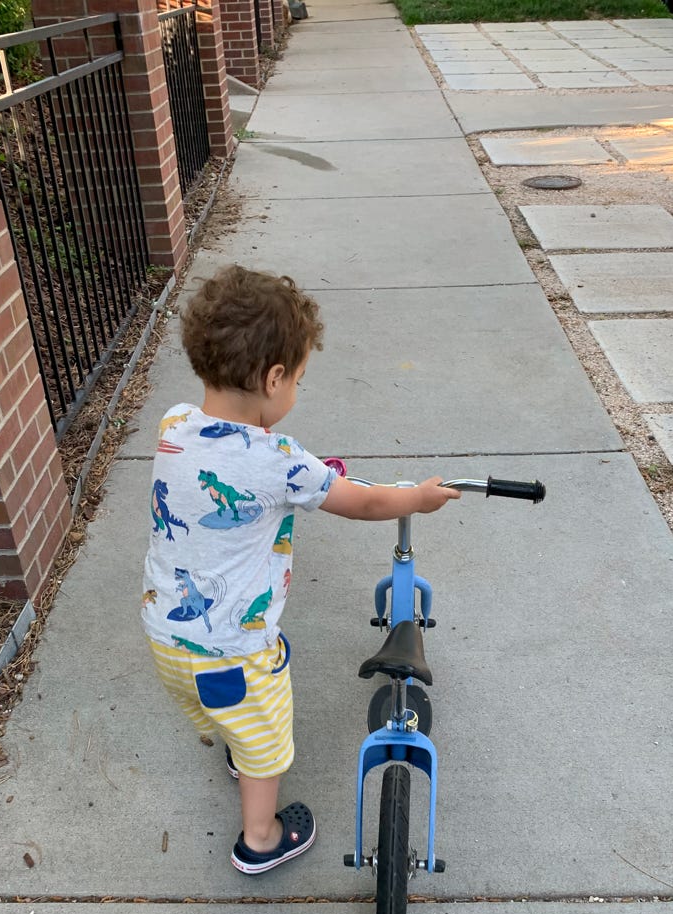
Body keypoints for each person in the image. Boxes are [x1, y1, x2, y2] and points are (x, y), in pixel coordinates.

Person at [142, 265, 460, 875]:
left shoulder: (174, 425)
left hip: (165, 636)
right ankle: (260, 839)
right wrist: (416, 499)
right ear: (274, 377)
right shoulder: (280, 459)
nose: (296, 393)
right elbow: (361, 501)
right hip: (233, 651)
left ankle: (237, 739)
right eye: (299, 381)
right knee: (266, 740)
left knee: (230, 710)